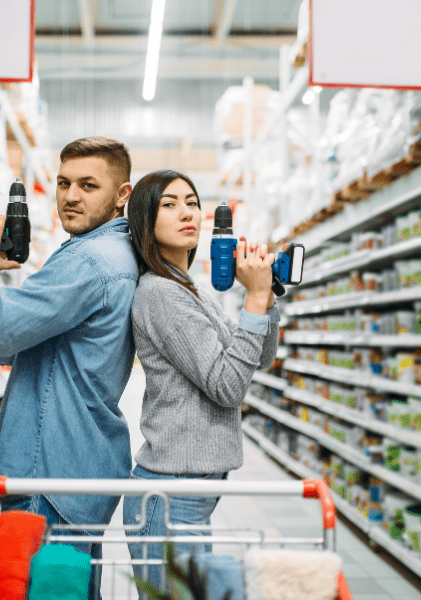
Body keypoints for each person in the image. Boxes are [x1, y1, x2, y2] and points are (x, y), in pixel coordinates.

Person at [0, 137, 138, 599]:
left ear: (123, 195)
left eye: (88, 184)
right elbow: (12, 347)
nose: (70, 195)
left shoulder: (88, 262)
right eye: (63, 183)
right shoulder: (110, 255)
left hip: (50, 474)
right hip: (79, 464)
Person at [123, 169, 280, 596]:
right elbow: (227, 386)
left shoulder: (190, 288)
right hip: (170, 492)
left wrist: (266, 296)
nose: (186, 212)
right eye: (169, 204)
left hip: (192, 489)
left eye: (191, 202)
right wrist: (252, 299)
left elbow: (259, 357)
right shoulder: (160, 293)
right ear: (145, 222)